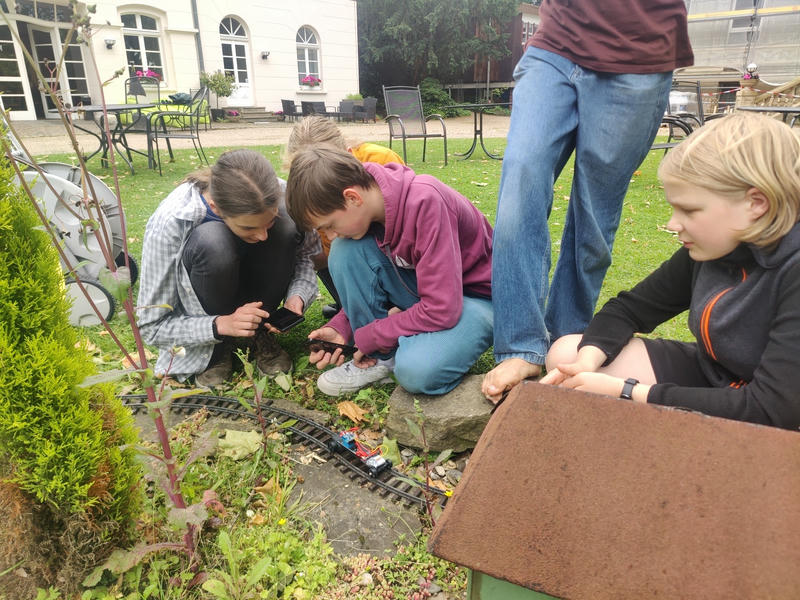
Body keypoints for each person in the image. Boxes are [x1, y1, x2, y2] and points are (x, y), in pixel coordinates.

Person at [482, 0, 694, 403]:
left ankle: (563, 344)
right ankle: (520, 347)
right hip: (556, 44)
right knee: (520, 185)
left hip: (640, 55)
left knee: (594, 218)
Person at [541, 114, 800, 430]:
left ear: (756, 203)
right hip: (717, 375)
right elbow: (629, 309)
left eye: (689, 210)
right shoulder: (715, 247)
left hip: (776, 411)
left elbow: (774, 410)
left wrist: (630, 392)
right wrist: (588, 361)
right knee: (567, 354)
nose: (672, 224)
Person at [285, 146, 494, 396]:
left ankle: (400, 351)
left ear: (352, 198)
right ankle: (382, 359)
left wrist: (372, 335)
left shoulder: (426, 201)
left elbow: (441, 308)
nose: (330, 235)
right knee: (344, 251)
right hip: (435, 295)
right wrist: (342, 327)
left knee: (416, 372)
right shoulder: (371, 209)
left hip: (478, 298)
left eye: (329, 225)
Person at [137, 149, 320, 386]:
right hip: (211, 299)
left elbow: (305, 256)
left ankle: (258, 331)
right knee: (213, 242)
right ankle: (219, 346)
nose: (264, 236)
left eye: (268, 223)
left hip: (259, 290)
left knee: (286, 223)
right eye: (248, 228)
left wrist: (298, 297)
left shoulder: (279, 193)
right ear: (216, 208)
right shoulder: (170, 222)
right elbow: (151, 326)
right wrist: (220, 325)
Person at [285, 115, 404, 318]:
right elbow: (327, 246)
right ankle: (350, 309)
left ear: (347, 156)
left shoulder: (381, 160)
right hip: (345, 258)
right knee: (337, 250)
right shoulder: (304, 189)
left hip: (393, 259)